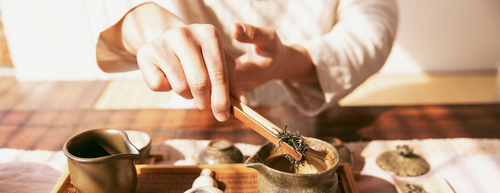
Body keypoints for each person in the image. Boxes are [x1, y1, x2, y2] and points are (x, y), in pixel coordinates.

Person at [96, 0, 398, 121]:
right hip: (191, 111)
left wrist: (287, 62)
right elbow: (110, 12)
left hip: (311, 117)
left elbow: (371, 27)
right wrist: (156, 28)